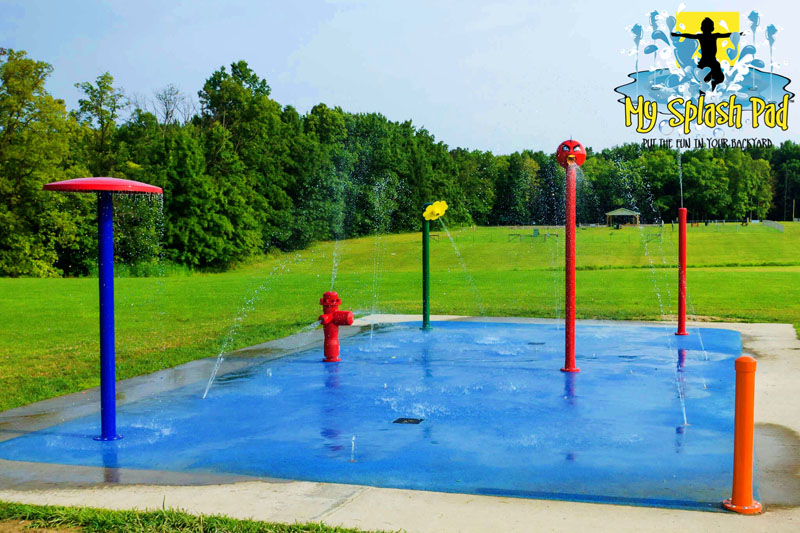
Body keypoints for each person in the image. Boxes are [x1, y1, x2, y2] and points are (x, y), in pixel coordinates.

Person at [671, 17, 742, 90]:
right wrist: (737, 34)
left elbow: (689, 35)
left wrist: (678, 35)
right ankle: (710, 85)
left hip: (704, 62)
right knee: (718, 78)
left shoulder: (701, 36)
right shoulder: (713, 36)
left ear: (702, 28)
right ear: (712, 28)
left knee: (706, 78)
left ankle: (707, 85)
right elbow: (727, 34)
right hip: (711, 61)